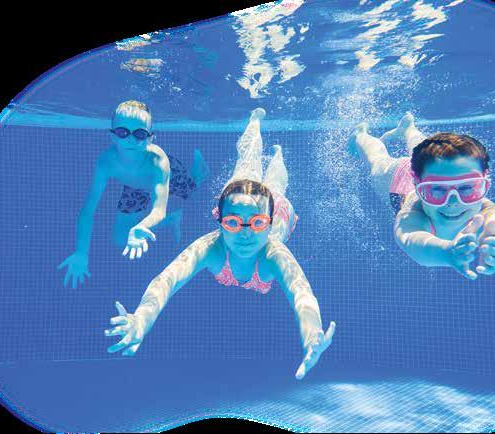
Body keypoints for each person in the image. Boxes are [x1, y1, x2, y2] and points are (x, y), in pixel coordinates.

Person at [104, 108, 336, 380]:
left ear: (268, 223)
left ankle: (278, 155)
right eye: (234, 223)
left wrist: (312, 335)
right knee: (246, 163)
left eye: (257, 224)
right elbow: (166, 280)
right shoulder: (211, 248)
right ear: (219, 220)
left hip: (277, 208)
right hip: (244, 199)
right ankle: (255, 121)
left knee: (276, 185)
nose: (246, 234)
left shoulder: (274, 254)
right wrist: (141, 320)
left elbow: (302, 294)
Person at [348, 112, 495, 280]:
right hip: (398, 180)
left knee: (427, 154)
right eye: (438, 190)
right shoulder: (414, 211)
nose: (453, 203)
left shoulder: (492, 213)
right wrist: (446, 253)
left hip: (430, 171)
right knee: (377, 160)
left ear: (484, 184)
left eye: (466, 188)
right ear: (417, 187)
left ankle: (408, 129)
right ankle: (361, 134)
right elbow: (412, 240)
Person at [59, 100, 209, 289]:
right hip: (135, 187)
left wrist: (142, 225)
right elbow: (88, 210)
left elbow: (158, 209)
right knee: (120, 239)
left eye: (139, 134)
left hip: (167, 177)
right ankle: (172, 220)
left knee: (193, 192)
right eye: (123, 132)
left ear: (150, 138)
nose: (130, 139)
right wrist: (81, 252)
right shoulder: (106, 162)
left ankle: (198, 171)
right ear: (113, 136)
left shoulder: (158, 162)